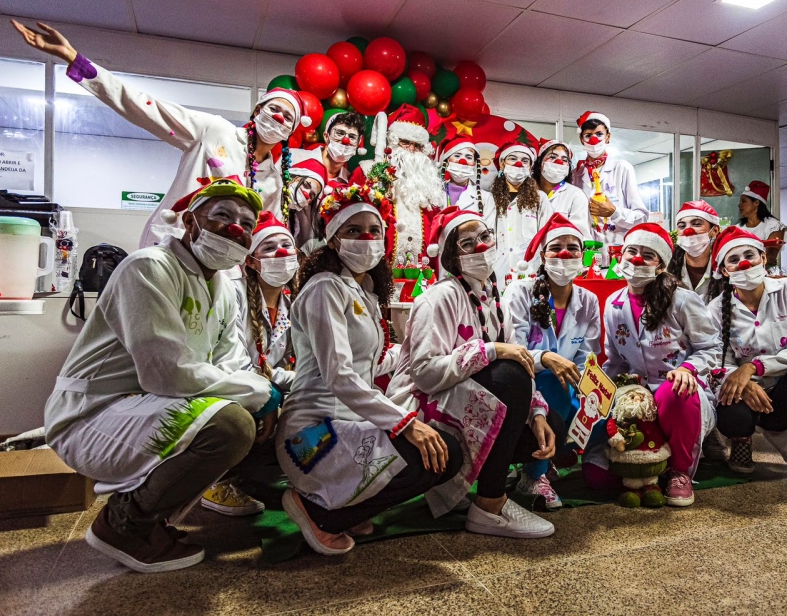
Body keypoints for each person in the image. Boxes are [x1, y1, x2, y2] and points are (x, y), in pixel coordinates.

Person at [44, 179, 277, 572]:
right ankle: (124, 525)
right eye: (222, 215)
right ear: (190, 222)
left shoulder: (221, 286)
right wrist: (259, 394)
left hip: (148, 408)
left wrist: (267, 392)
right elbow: (166, 374)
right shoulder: (148, 267)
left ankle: (158, 518)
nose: (236, 228)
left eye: (246, 223)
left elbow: (231, 361)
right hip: (94, 414)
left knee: (253, 410)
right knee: (230, 424)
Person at [277, 185, 464, 555]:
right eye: (353, 231)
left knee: (446, 452)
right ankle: (317, 511)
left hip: (353, 422)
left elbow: (371, 363)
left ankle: (346, 505)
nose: (366, 239)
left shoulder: (362, 292)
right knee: (428, 457)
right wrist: (404, 422)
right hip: (314, 433)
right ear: (332, 240)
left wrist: (415, 347)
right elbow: (339, 375)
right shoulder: (324, 288)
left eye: (373, 231)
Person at [12, 20, 312, 248]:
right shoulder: (214, 131)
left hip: (223, 263)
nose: (277, 118)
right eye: (273, 109)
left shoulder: (274, 178)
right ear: (256, 111)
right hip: (172, 245)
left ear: (290, 131)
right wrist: (75, 59)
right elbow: (145, 107)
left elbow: (265, 232)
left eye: (287, 117)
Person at [388, 207, 561, 539]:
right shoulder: (438, 299)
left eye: (485, 237)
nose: (481, 247)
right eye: (467, 244)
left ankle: (479, 486)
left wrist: (536, 412)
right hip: (423, 405)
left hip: (462, 398)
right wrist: (491, 350)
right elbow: (424, 374)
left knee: (549, 424)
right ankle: (490, 502)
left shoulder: (494, 299)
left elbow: (521, 361)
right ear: (453, 257)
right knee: (509, 375)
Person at [708, 227, 787, 492]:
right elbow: (716, 359)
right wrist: (744, 383)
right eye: (733, 260)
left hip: (785, 394)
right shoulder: (715, 308)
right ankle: (741, 442)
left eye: (749, 255)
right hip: (743, 396)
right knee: (726, 402)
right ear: (724, 271)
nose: (743, 263)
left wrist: (753, 367)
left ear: (764, 258)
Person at [599, 223, 721, 506]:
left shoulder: (682, 300)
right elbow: (615, 361)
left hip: (680, 389)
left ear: (661, 265)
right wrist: (600, 395)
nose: (637, 259)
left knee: (673, 390)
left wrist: (688, 368)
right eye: (631, 252)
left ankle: (679, 471)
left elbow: (711, 346)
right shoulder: (614, 304)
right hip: (638, 392)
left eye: (647, 254)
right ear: (620, 257)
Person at [199, 211, 302, 517]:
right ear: (250, 261)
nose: (280, 253)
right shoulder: (233, 294)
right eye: (269, 248)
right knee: (250, 412)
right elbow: (239, 362)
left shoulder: (292, 304)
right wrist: (293, 380)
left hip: (273, 385)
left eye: (286, 245)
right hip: (232, 387)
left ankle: (268, 475)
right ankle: (215, 482)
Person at [504, 214, 601, 509]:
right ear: (543, 256)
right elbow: (513, 352)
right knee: (551, 381)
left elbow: (587, 358)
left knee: (602, 415)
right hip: (525, 387)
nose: (565, 254)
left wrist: (593, 395)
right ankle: (532, 476)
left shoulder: (588, 300)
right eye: (556, 247)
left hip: (565, 387)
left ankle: (561, 457)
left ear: (583, 255)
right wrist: (546, 358)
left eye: (574, 248)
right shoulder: (520, 293)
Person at [375, 104, 446, 268]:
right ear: (393, 143)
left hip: (423, 276)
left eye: (418, 146)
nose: (412, 150)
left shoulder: (431, 187)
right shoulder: (371, 176)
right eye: (405, 143)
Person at [572, 111, 649, 254]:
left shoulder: (622, 168)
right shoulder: (576, 175)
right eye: (588, 135)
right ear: (581, 139)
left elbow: (642, 217)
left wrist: (614, 212)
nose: (594, 140)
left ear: (608, 137)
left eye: (599, 134)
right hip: (586, 252)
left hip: (617, 250)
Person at [490, 141, 552, 287]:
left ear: (530, 167)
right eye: (512, 158)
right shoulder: (490, 198)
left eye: (525, 161)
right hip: (499, 271)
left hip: (531, 270)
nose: (519, 164)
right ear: (502, 164)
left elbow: (547, 236)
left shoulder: (540, 198)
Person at [533, 140, 592, 243]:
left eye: (565, 160)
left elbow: (580, 236)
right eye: (552, 157)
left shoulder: (576, 195)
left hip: (559, 255)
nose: (559, 162)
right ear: (539, 163)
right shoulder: (526, 193)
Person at [668, 200, 722, 300]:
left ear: (714, 231)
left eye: (696, 224)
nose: (688, 231)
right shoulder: (667, 266)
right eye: (682, 226)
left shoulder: (725, 266)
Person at [437, 136, 496, 227]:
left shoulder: (486, 197)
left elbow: (489, 233)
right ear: (447, 161)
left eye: (468, 157)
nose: (462, 161)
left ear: (475, 163)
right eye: (457, 156)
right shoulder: (434, 192)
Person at [738, 180, 787, 271]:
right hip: (742, 273)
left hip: (766, 273)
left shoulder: (774, 226)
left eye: (743, 201)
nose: (739, 205)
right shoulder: (738, 228)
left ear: (756, 203)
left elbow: (770, 257)